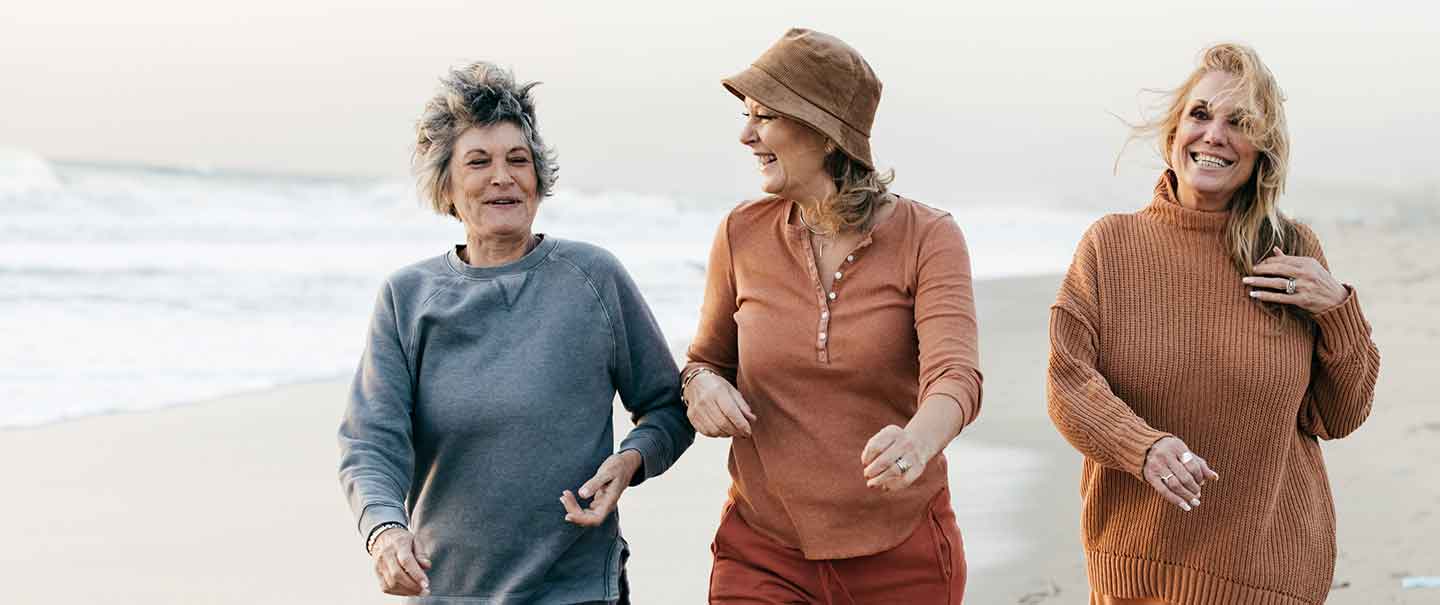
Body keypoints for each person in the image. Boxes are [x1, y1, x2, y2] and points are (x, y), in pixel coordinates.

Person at [337, 61, 693, 604]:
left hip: (577, 590)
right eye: (478, 162)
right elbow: (371, 442)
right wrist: (384, 530)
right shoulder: (407, 298)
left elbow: (668, 407)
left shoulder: (594, 279)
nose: (502, 176)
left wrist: (631, 462)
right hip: (448, 589)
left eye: (517, 160)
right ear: (448, 186)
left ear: (538, 178)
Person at [1046, 43, 1381, 605]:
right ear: (1175, 130)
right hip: (1139, 571)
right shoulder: (1110, 246)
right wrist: (1143, 447)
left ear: (1262, 150)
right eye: (1200, 114)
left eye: (1240, 121)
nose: (1214, 134)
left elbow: (1340, 415)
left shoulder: (1291, 249)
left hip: (1271, 577)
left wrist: (1336, 310)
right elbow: (1067, 385)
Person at [684, 28, 981, 603]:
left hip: (901, 554)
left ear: (823, 134)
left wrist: (918, 442)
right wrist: (700, 386)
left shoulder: (930, 237)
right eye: (748, 115)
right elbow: (705, 361)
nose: (746, 135)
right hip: (760, 552)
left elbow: (956, 377)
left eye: (764, 116)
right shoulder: (740, 233)